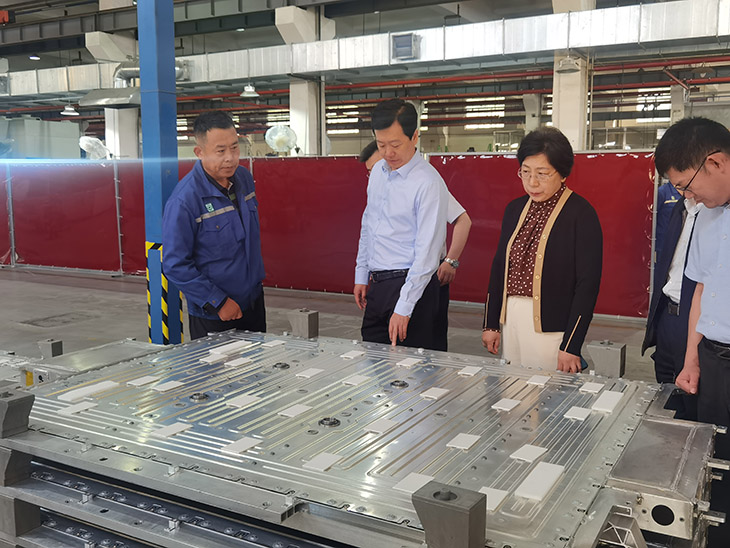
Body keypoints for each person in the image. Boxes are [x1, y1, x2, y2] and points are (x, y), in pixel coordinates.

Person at [655, 115, 730, 548]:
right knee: (716, 462)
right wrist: (691, 359)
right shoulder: (704, 216)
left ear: (716, 162)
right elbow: (699, 287)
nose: (687, 196)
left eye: (686, 185)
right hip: (715, 360)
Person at [481, 127, 603, 373]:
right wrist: (491, 323)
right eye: (525, 172)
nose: (532, 182)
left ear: (563, 173)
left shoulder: (580, 214)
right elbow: (499, 267)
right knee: (511, 388)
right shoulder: (514, 210)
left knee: (544, 392)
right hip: (511, 319)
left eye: (542, 174)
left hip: (551, 329)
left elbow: (587, 285)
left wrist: (571, 344)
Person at [358, 140, 473, 351]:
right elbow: (368, 232)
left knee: (421, 352)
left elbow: (462, 220)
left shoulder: (424, 183)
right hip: (386, 282)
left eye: (377, 168)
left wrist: (451, 261)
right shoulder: (381, 188)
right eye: (370, 172)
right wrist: (363, 274)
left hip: (421, 278)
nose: (379, 172)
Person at [162, 110, 265, 340]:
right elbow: (175, 264)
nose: (230, 157)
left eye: (234, 148)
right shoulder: (184, 200)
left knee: (259, 362)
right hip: (215, 314)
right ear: (199, 152)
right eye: (220, 151)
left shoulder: (244, 179)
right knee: (218, 365)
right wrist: (217, 302)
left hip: (253, 302)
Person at [354, 99, 448, 349]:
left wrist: (405, 307)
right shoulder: (377, 172)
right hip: (378, 286)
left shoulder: (428, 183)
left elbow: (427, 253)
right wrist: (362, 273)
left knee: (410, 367)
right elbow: (369, 225)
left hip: (412, 288)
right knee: (373, 359)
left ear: (414, 136)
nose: (388, 153)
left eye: (395, 145)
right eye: (381, 144)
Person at [641, 190, 701, 420]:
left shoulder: (716, 212)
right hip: (668, 312)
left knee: (693, 396)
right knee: (666, 391)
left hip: (696, 318)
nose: (682, 189)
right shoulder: (681, 207)